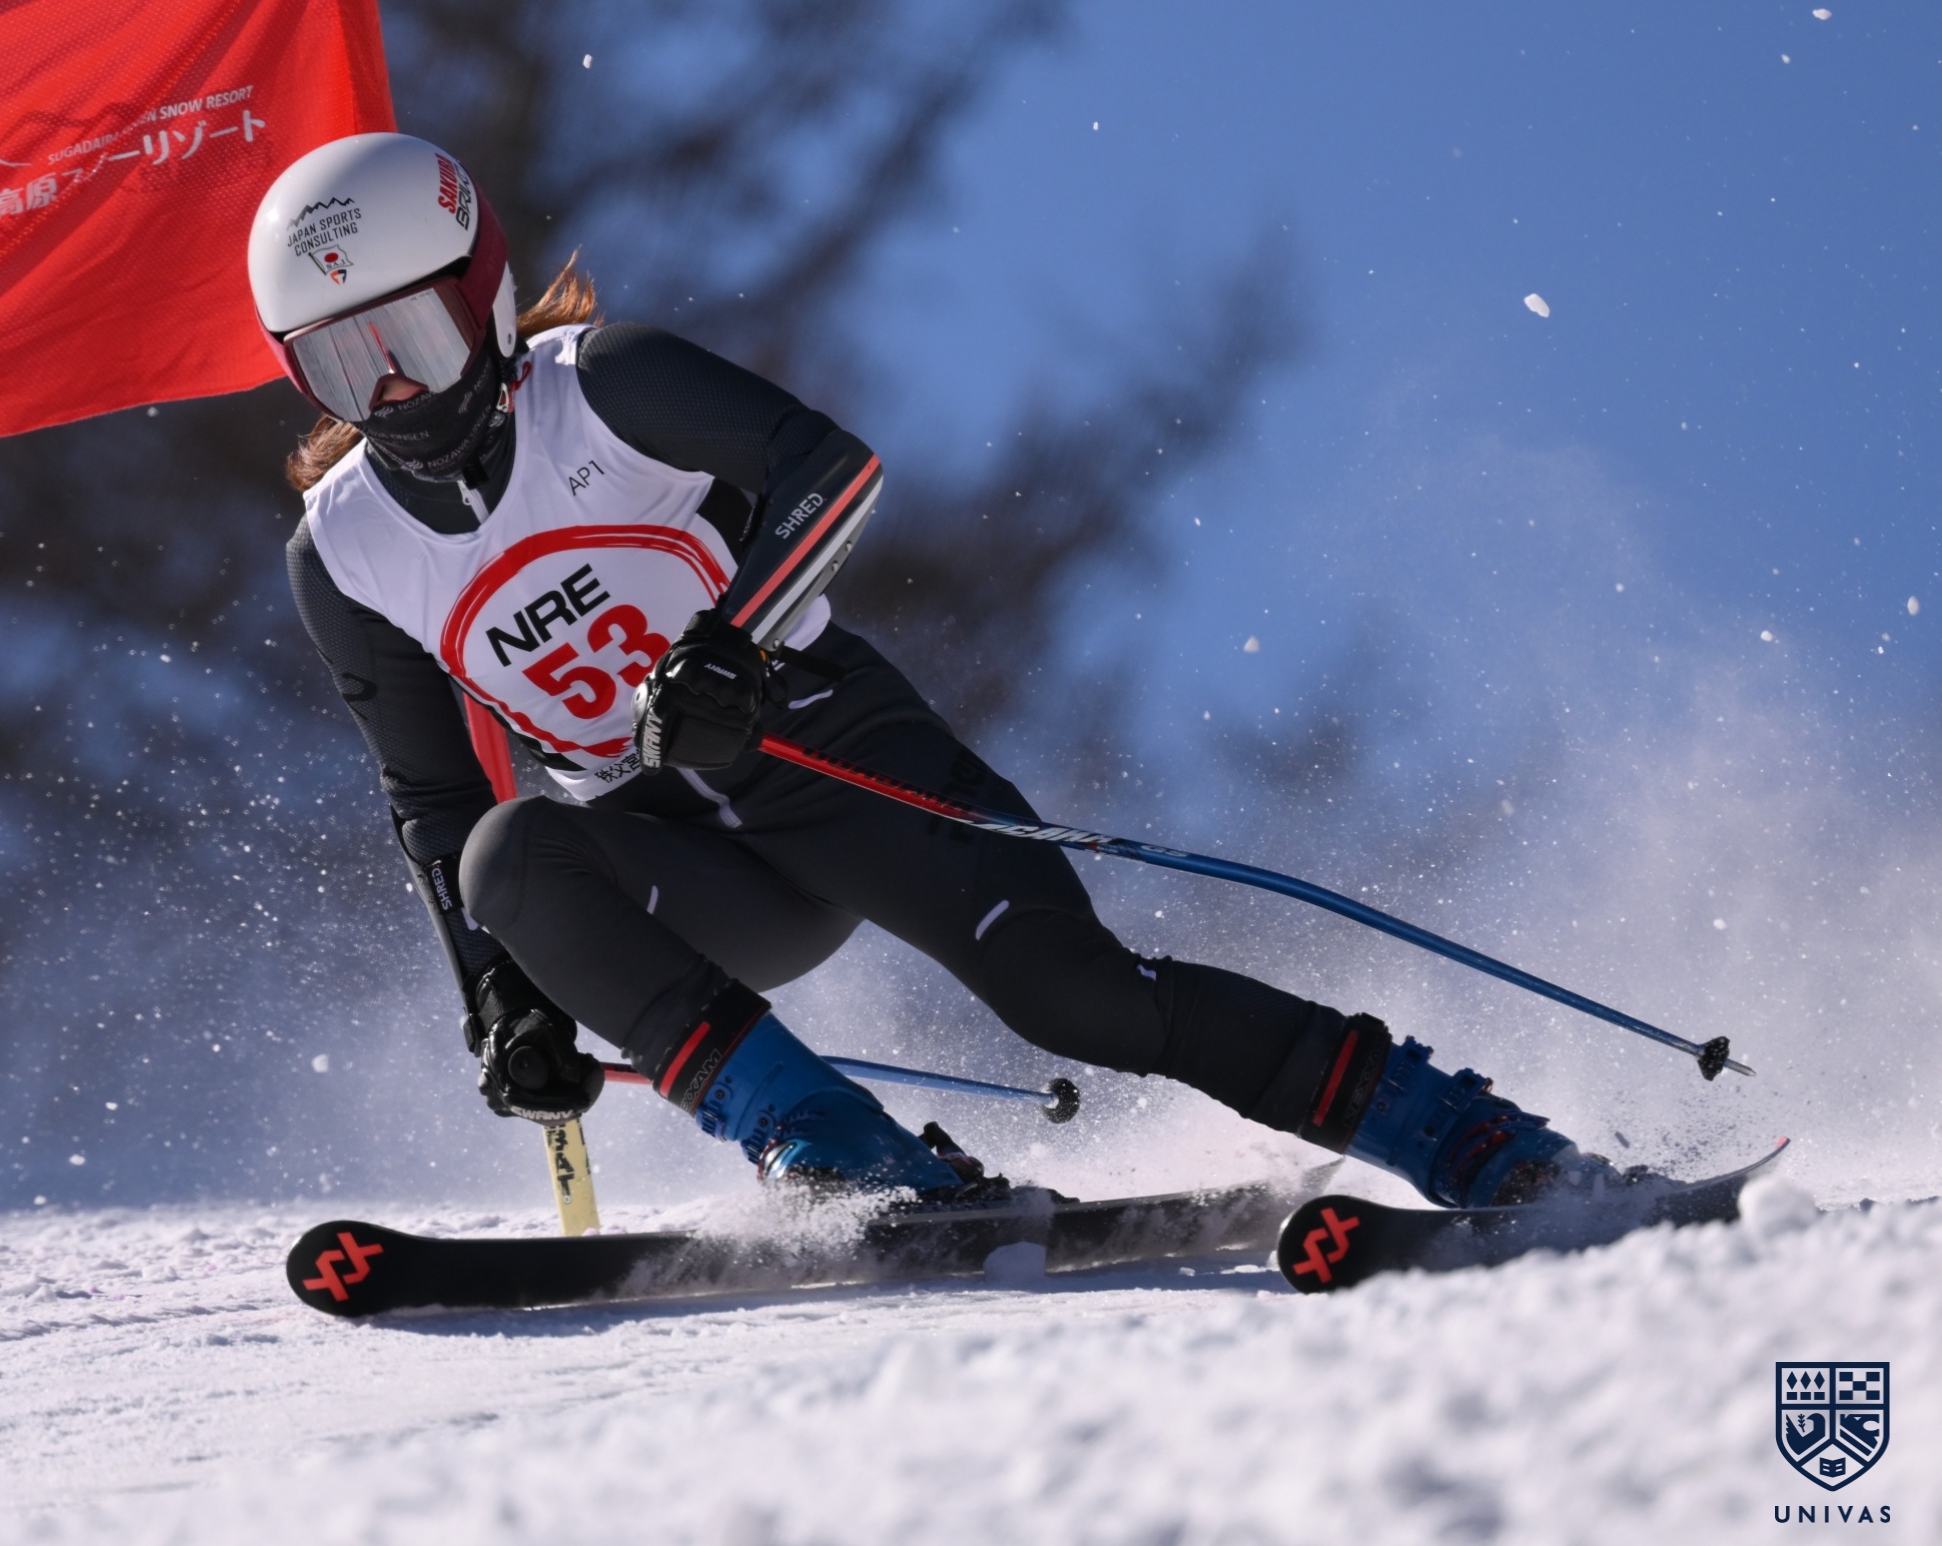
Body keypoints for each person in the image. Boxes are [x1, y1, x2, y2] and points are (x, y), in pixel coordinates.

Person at [249, 131, 1624, 1208]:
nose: (395, 396)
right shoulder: (347, 552)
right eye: (344, 367)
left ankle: (1466, 1138)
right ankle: (842, 1154)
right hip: (685, 857)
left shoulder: (603, 385)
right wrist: (500, 998)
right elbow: (433, 798)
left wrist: (731, 644)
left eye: (414, 342)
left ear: (483, 297)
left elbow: (828, 468)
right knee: (504, 859)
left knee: (1077, 1002)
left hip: (829, 755)